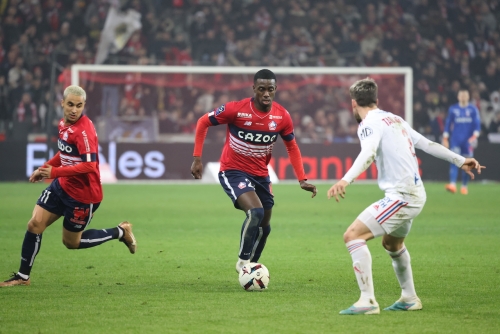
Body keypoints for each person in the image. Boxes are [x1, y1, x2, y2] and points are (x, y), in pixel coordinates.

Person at [327, 78, 485, 315]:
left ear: (353, 104)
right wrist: (461, 160)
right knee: (392, 243)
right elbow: (428, 144)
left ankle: (367, 301)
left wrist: (345, 179)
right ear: (377, 101)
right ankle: (409, 298)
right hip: (414, 193)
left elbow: (368, 152)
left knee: (352, 236)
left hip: (402, 196)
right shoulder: (395, 119)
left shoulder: (368, 123)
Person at [0, 85, 137, 287]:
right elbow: (64, 154)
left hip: (83, 196)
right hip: (61, 186)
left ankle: (120, 232)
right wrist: (45, 167)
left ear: (84, 106)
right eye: (71, 104)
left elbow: (89, 166)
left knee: (71, 243)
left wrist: (54, 172)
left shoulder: (84, 131)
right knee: (34, 224)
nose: (74, 109)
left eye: (79, 106)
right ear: (62, 103)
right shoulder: (63, 124)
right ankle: (23, 277)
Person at [191, 69, 317, 273]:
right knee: (255, 212)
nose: (266, 94)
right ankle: (243, 264)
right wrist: (197, 157)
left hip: (261, 175)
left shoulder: (282, 116)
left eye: (270, 89)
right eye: (261, 89)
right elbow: (203, 122)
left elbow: (292, 147)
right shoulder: (236, 110)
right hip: (233, 171)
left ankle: (252, 267)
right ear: (254, 89)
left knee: (264, 227)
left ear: (276, 90)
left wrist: (302, 179)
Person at [442, 89, 481, 195]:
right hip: (455, 140)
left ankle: (464, 186)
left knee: (467, 163)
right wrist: (445, 138)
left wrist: (474, 137)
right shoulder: (453, 109)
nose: (463, 97)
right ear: (458, 97)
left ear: (468, 97)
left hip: (468, 142)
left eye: (465, 95)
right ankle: (453, 185)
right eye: (461, 95)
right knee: (454, 161)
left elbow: (477, 125)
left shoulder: (473, 109)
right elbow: (448, 124)